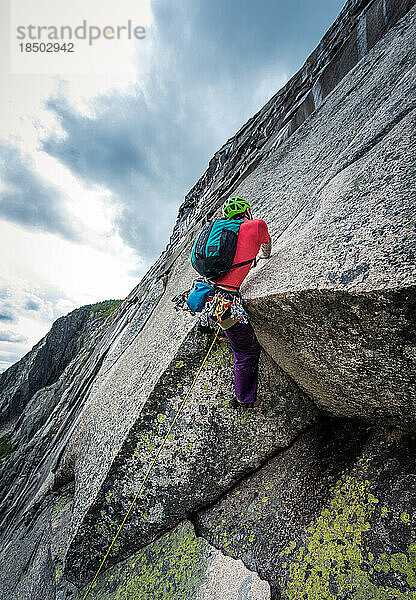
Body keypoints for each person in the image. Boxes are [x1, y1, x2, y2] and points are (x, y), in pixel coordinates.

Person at [209, 196, 271, 408]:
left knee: (229, 328)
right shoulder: (257, 225)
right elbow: (267, 248)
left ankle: (219, 331)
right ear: (247, 212)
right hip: (225, 305)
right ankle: (244, 398)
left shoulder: (220, 232)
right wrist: (263, 256)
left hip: (208, 296)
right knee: (246, 351)